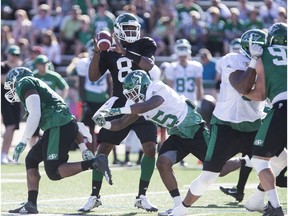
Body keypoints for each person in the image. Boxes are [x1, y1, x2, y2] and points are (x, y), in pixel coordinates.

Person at [170, 29, 268, 216]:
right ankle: (180, 209)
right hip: (226, 126)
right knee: (210, 175)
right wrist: (255, 61)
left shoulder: (269, 63)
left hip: (254, 124)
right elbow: (243, 87)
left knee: (279, 162)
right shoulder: (232, 59)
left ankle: (260, 200)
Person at [93, 70, 209, 216]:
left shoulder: (157, 87)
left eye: (134, 91)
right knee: (162, 163)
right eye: (129, 93)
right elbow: (121, 123)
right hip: (178, 134)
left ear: (142, 85)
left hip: (193, 127)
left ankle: (244, 162)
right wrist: (103, 123)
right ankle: (179, 206)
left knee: (219, 169)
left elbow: (147, 106)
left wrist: (113, 110)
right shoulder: (134, 103)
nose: (132, 96)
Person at [79, 12, 158, 212]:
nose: (132, 32)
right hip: (119, 103)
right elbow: (93, 76)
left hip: (142, 101)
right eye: (128, 29)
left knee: (150, 148)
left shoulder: (145, 43)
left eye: (134, 29)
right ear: (118, 30)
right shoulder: (109, 49)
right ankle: (94, 195)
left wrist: (125, 51)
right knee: (104, 149)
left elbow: (148, 64)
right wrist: (98, 52)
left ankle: (142, 196)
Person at [5, 67, 112, 214]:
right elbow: (70, 119)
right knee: (31, 160)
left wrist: (23, 141)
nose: (11, 88)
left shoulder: (25, 82)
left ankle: (94, 163)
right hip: (60, 126)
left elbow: (35, 114)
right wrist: (83, 148)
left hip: (57, 127)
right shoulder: (44, 89)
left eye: (11, 84)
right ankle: (31, 204)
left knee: (54, 172)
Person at [230, 22, 287, 216]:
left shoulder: (265, 54)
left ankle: (275, 207)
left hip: (282, 107)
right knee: (282, 159)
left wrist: (245, 93)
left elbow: (260, 95)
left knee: (260, 160)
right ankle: (257, 199)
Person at [1, 45, 23, 164]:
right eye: (12, 54)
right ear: (8, 54)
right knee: (9, 126)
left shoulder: (20, 68)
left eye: (16, 55)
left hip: (16, 101)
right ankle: (3, 153)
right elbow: (3, 80)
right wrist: (13, 69)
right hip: (4, 100)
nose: (14, 57)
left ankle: (6, 153)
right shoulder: (3, 66)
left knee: (13, 127)